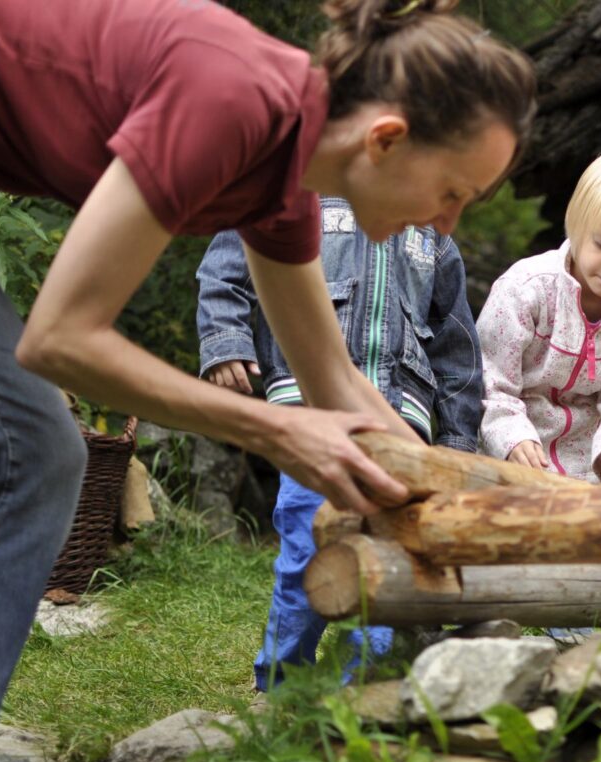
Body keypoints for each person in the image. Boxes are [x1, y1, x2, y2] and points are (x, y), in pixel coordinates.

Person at [0, 0, 534, 762]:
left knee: (28, 447)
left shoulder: (281, 178)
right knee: (25, 444)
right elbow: (59, 336)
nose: (447, 223)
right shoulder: (232, 100)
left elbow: (333, 379)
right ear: (386, 139)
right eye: (453, 191)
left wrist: (451, 486)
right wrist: (277, 430)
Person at [196, 197, 482, 691]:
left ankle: (363, 687)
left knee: (387, 557)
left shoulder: (431, 233)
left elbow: (457, 342)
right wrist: (226, 340)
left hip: (401, 420)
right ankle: (283, 684)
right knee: (310, 543)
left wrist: (458, 437)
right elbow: (225, 267)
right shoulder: (294, 197)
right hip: (310, 405)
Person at [476, 144, 601, 485]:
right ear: (578, 225)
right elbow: (489, 381)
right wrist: (512, 438)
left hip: (585, 478)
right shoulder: (525, 290)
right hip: (511, 467)